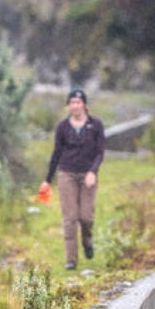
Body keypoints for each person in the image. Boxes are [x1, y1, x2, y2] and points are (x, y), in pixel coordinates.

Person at [40, 89, 105, 270]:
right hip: (66, 173)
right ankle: (71, 259)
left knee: (85, 216)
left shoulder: (96, 125)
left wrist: (93, 171)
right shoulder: (62, 127)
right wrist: (47, 179)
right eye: (72, 102)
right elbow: (56, 153)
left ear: (84, 104)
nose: (75, 105)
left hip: (88, 175)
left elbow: (100, 152)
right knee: (70, 218)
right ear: (68, 106)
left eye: (78, 102)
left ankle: (87, 240)